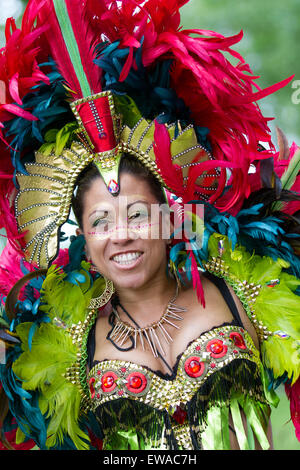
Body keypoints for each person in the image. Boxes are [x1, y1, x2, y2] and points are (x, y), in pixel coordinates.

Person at [0, 0, 299, 451]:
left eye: (137, 214)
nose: (122, 234)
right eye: (101, 221)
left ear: (167, 216)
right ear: (82, 235)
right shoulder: (62, 346)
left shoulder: (245, 287)